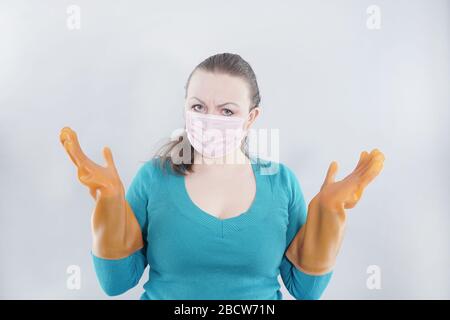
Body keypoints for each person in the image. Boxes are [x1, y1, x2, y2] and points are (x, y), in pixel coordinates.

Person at [59, 53, 385, 299]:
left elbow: (305, 290)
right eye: (198, 107)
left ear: (251, 117)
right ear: (185, 107)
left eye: (227, 111)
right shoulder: (153, 178)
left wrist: (329, 216)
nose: (209, 119)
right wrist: (109, 207)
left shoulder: (281, 183)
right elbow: (116, 284)